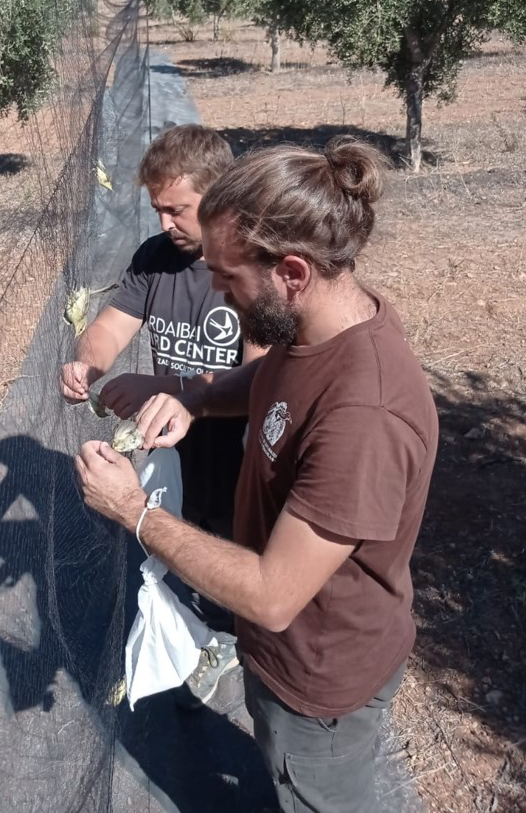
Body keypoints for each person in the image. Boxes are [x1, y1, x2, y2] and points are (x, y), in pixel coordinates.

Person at [75, 136, 438, 813]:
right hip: (283, 663)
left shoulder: (366, 414)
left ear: (292, 272)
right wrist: (196, 396)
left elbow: (274, 593)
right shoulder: (319, 329)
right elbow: (267, 375)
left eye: (228, 276)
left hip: (318, 685)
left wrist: (138, 514)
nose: (215, 289)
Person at [61, 124, 265, 705]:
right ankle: (200, 639)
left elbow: (258, 379)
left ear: (222, 196)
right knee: (179, 548)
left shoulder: (252, 267)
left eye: (178, 210)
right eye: (157, 209)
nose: (164, 224)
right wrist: (87, 364)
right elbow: (108, 328)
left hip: (236, 463)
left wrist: (163, 385)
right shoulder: (155, 259)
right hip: (170, 457)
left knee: (236, 560)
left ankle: (237, 649)